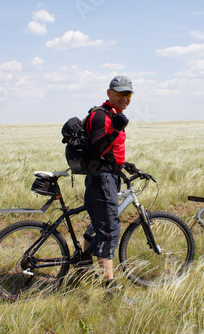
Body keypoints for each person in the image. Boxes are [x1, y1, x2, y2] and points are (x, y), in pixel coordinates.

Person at [81, 75, 135, 288]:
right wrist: (114, 129)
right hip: (102, 179)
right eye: (120, 93)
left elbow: (108, 151)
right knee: (109, 229)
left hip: (109, 175)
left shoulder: (114, 115)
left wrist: (125, 164)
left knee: (99, 224)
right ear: (109, 93)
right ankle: (110, 288)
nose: (125, 98)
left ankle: (83, 267)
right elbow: (96, 149)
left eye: (128, 94)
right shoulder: (101, 116)